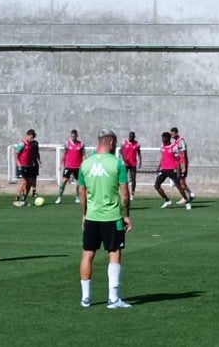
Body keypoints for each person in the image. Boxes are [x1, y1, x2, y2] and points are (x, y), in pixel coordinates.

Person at [78, 128, 133, 309]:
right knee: (114, 252)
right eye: (115, 143)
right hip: (112, 216)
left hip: (92, 216)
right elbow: (124, 193)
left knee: (88, 254)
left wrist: (84, 214)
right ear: (110, 142)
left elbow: (81, 192)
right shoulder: (117, 163)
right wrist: (126, 215)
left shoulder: (85, 164)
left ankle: (86, 298)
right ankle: (113, 298)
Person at [153, 131, 186, 208]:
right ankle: (167, 200)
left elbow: (178, 160)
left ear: (168, 138)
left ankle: (186, 201)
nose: (162, 139)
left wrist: (178, 171)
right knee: (156, 185)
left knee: (179, 186)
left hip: (172, 169)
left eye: (164, 138)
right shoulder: (162, 147)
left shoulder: (174, 147)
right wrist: (159, 167)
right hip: (164, 169)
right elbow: (163, 157)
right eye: (162, 138)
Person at [56, 129, 85, 204]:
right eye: (72, 136)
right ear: (71, 136)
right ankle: (59, 197)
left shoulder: (81, 144)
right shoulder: (67, 143)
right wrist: (60, 164)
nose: (73, 138)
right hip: (68, 166)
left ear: (77, 136)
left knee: (79, 182)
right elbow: (64, 154)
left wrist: (84, 163)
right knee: (63, 181)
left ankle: (77, 197)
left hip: (78, 166)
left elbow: (83, 155)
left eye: (74, 136)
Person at [13, 129, 41, 206]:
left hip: (29, 166)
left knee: (29, 183)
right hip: (22, 165)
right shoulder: (21, 144)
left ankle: (23, 199)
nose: (32, 139)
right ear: (28, 135)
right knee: (23, 182)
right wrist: (18, 164)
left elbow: (31, 154)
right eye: (31, 137)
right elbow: (16, 154)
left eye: (33, 138)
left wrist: (35, 162)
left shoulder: (31, 144)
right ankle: (16, 198)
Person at [170, 127, 195, 201]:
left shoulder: (181, 141)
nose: (172, 136)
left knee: (181, 181)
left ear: (176, 133)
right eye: (171, 134)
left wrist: (184, 166)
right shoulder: (175, 141)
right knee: (178, 181)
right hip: (177, 164)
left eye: (173, 134)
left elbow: (184, 153)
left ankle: (185, 197)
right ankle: (190, 194)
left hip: (182, 164)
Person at [120, 131, 141, 196]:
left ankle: (132, 193)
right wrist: (124, 158)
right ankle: (123, 191)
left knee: (133, 179)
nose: (130, 138)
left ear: (134, 137)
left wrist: (140, 161)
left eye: (132, 136)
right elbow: (120, 151)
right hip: (125, 163)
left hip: (133, 164)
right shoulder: (124, 142)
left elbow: (139, 153)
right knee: (123, 178)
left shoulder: (137, 144)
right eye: (130, 136)